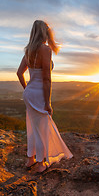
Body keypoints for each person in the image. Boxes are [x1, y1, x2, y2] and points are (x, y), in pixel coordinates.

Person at [17, 20, 73, 173]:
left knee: (33, 126)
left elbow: (19, 73)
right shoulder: (45, 50)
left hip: (29, 93)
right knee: (42, 128)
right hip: (39, 93)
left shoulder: (28, 50)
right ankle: (41, 163)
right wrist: (48, 102)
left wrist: (27, 89)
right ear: (44, 33)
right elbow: (47, 79)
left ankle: (30, 159)